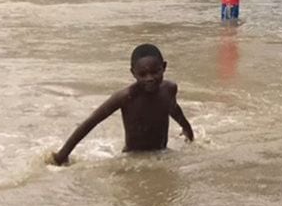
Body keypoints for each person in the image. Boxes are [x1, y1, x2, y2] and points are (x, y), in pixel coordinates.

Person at [50, 44, 193, 164]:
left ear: (164, 67)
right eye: (142, 74)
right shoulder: (126, 97)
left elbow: (173, 108)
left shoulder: (169, 89)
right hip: (133, 159)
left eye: (155, 72)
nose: (149, 78)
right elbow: (91, 122)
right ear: (133, 73)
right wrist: (63, 154)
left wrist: (187, 129)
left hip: (162, 153)